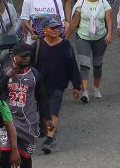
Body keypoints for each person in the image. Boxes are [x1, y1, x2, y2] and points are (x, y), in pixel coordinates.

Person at [0, 44, 52, 168]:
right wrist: (7, 76)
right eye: (23, 56)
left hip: (29, 124)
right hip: (8, 122)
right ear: (14, 57)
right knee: (5, 156)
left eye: (28, 56)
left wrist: (47, 118)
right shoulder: (5, 72)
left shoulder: (35, 74)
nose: (26, 58)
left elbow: (42, 97)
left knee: (25, 157)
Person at [31, 17, 80, 153]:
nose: (55, 30)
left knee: (53, 111)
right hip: (40, 86)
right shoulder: (37, 45)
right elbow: (30, 66)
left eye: (57, 28)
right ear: (44, 30)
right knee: (43, 111)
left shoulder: (65, 45)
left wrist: (77, 85)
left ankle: (49, 138)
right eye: (52, 28)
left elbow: (72, 65)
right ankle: (46, 128)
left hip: (58, 85)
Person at [65, 0, 113, 102]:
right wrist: (65, 39)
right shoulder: (81, 4)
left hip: (100, 37)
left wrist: (109, 34)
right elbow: (74, 22)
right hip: (83, 37)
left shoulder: (104, 3)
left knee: (97, 64)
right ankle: (85, 91)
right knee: (85, 65)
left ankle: (96, 89)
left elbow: (109, 21)